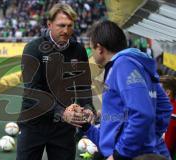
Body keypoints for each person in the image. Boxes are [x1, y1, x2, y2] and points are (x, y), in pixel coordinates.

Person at [81, 20, 172, 160]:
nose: (92, 53)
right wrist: (150, 138)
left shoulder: (123, 65)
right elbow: (164, 107)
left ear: (99, 48)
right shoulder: (137, 63)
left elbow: (143, 114)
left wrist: (120, 153)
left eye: (91, 48)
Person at [16, 3, 95, 160]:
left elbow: (83, 84)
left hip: (63, 126)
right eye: (61, 25)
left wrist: (87, 107)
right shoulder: (33, 48)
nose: (66, 31)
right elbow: (32, 91)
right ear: (49, 24)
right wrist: (61, 111)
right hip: (34, 123)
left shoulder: (78, 49)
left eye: (69, 26)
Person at [160, 75, 176, 159]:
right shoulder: (162, 107)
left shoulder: (172, 113)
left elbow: (167, 145)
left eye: (158, 89)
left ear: (167, 92)